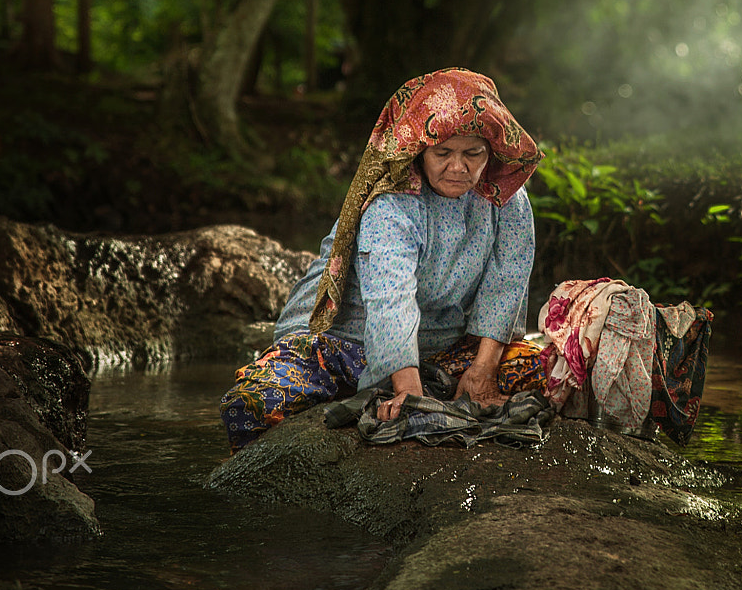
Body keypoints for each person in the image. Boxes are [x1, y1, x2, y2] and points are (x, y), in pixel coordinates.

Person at [220, 67, 546, 453]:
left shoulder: (506, 198)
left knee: (545, 372)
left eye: (472, 153)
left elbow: (507, 281)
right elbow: (391, 300)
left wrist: (482, 371)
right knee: (254, 403)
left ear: (489, 152)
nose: (458, 167)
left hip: (444, 351)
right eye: (443, 153)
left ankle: (433, 378)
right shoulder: (391, 204)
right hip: (342, 344)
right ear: (418, 151)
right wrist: (409, 393)